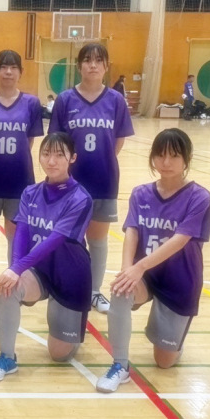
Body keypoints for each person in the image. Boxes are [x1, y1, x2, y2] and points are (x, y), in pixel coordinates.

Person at [96, 129, 210, 393]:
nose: (166, 162)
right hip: (147, 277)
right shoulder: (141, 193)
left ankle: (174, 339)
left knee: (164, 362)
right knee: (120, 290)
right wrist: (127, 270)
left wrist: (138, 267)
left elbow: (180, 240)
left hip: (180, 281)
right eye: (160, 155)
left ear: (187, 159)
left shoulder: (200, 197)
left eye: (174, 156)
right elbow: (132, 232)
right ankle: (120, 365)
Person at [0, 132, 93, 383]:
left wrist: (18, 268)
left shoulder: (81, 198)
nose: (51, 161)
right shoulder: (30, 192)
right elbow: (21, 233)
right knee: (8, 287)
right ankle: (6, 357)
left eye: (59, 155)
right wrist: (16, 269)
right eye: (46, 154)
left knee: (59, 355)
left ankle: (72, 321)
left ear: (72, 158)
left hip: (71, 276)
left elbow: (55, 239)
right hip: (39, 271)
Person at [49, 43, 134, 314]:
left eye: (98, 60)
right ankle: (65, 287)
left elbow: (118, 140)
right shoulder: (65, 100)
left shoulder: (115, 100)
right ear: (79, 66)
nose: (93, 65)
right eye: (87, 60)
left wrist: (102, 160)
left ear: (106, 66)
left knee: (97, 240)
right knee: (68, 239)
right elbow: (56, 142)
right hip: (69, 184)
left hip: (103, 180)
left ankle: (94, 291)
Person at [0, 49, 44, 306]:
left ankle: (14, 280)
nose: (9, 72)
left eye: (13, 67)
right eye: (3, 67)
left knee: (16, 235)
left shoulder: (31, 103)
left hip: (20, 181)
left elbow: (29, 141)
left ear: (21, 72)